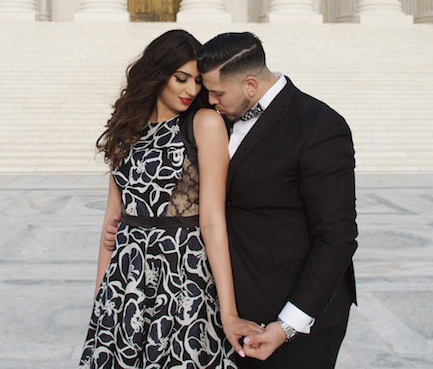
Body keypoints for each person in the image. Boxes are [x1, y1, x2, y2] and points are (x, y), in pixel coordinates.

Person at [80, 29, 263, 368]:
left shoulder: (203, 123)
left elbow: (211, 220)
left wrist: (229, 312)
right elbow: (112, 222)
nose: (191, 90)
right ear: (158, 73)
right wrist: (100, 297)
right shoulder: (126, 129)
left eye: (197, 81)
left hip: (183, 276)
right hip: (125, 282)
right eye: (181, 78)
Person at [198, 31, 357, 368]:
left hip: (294, 318)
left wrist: (287, 326)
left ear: (250, 86)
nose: (210, 101)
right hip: (227, 314)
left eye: (216, 93)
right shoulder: (217, 115)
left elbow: (336, 237)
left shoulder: (320, 126)